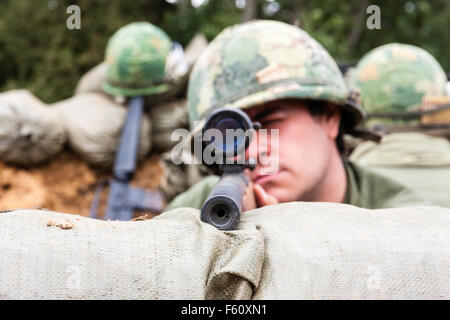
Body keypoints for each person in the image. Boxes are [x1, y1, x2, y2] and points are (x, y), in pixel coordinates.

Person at [166, 20, 428, 212]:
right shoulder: (199, 209)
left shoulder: (399, 221)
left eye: (271, 123)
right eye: (229, 133)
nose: (252, 152)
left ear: (329, 118)